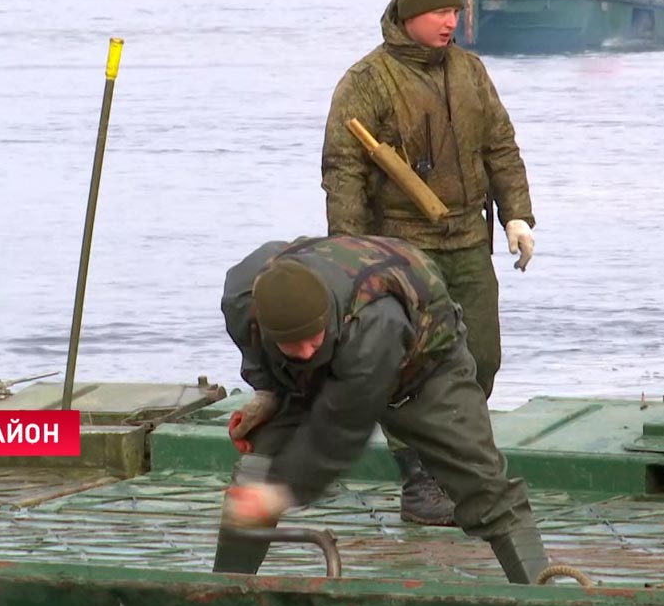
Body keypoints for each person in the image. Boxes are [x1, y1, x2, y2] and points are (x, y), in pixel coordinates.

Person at [320, 0, 538, 524]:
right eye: (442, 13)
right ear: (412, 15)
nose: (452, 23)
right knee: (408, 367)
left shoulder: (470, 72)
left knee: (480, 357)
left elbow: (501, 148)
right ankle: (419, 482)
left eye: (456, 13)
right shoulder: (365, 82)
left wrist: (517, 216)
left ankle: (451, 460)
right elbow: (343, 171)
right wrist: (348, 255)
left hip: (469, 237)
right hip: (401, 248)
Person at [215, 235, 551, 584]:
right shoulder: (245, 294)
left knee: (485, 487)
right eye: (290, 343)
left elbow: (341, 429)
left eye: (311, 338)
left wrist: (280, 493)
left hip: (425, 367)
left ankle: (544, 596)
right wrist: (268, 390)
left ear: (328, 318)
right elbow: (256, 347)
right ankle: (224, 591)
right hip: (326, 365)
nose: (303, 350)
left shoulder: (375, 322)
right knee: (257, 469)